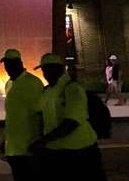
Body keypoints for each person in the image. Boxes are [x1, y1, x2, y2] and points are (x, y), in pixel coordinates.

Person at [28, 53, 106, 181]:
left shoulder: (72, 89)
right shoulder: (47, 91)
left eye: (48, 69)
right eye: (44, 70)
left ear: (59, 69)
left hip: (80, 151)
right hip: (57, 151)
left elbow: (71, 123)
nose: (45, 73)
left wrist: (43, 141)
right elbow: (42, 115)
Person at [0, 49, 44, 181]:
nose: (7, 68)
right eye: (6, 64)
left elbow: (41, 113)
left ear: (19, 63)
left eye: (10, 64)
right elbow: (11, 115)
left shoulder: (33, 83)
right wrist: (5, 140)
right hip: (13, 147)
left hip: (29, 146)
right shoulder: (9, 84)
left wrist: (40, 141)